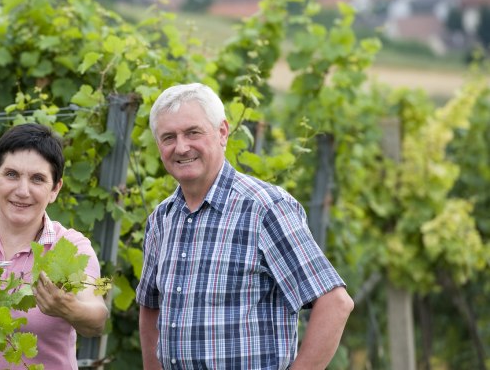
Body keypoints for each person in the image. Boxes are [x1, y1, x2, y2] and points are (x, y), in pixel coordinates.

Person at [136, 83, 354, 369]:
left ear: (223, 132)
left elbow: (335, 303)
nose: (181, 147)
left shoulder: (264, 208)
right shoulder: (162, 219)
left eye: (193, 132)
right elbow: (150, 308)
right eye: (168, 137)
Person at [0, 123, 109, 369]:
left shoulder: (71, 247)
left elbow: (97, 318)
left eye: (38, 179)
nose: (23, 191)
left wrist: (69, 308)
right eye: (12, 175)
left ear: (55, 189)